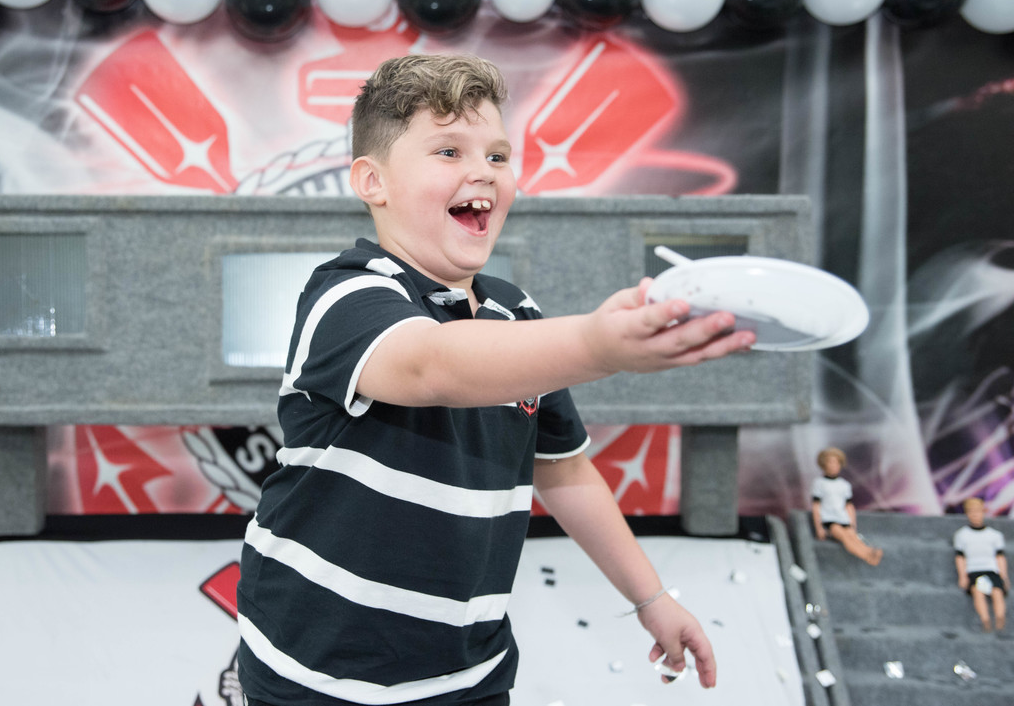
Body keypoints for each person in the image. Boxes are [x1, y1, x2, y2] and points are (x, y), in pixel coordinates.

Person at [234, 54, 756, 706]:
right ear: (373, 181)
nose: (483, 170)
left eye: (498, 156)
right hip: (313, 673)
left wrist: (652, 598)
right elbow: (433, 365)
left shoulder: (517, 313)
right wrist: (598, 344)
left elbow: (565, 471)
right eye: (448, 151)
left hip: (469, 673)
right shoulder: (345, 294)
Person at [810, 447, 882, 565]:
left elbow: (849, 506)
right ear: (824, 464)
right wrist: (819, 528)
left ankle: (870, 552)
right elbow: (816, 505)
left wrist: (852, 524)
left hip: (843, 519)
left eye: (836, 462)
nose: (834, 465)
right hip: (829, 520)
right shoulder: (819, 483)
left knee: (852, 536)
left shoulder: (844, 485)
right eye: (830, 462)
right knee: (844, 537)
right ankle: (867, 555)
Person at [953, 496, 1007, 632]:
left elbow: (1000, 557)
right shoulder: (962, 535)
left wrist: (1004, 576)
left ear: (983, 512)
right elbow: (960, 557)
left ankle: (1000, 622)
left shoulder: (994, 535)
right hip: (974, 570)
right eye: (971, 511)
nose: (975, 515)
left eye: (978, 511)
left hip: (991, 569)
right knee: (978, 591)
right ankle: (985, 621)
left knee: (997, 592)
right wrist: (962, 576)